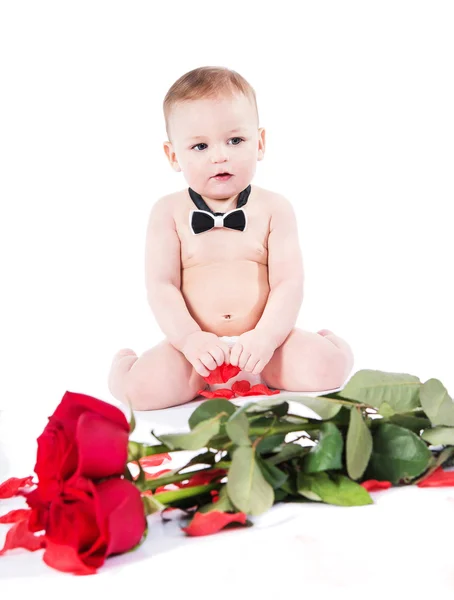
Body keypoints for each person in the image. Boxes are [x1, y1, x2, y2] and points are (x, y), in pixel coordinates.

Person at [108, 66, 354, 411]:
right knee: (144, 392)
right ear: (174, 156)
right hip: (195, 350)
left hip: (265, 343)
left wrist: (266, 338)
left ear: (260, 143)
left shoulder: (275, 208)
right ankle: (123, 369)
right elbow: (161, 286)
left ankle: (333, 346)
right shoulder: (167, 212)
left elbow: (288, 283)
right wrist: (190, 339)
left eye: (235, 140)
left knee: (323, 370)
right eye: (200, 145)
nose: (219, 155)